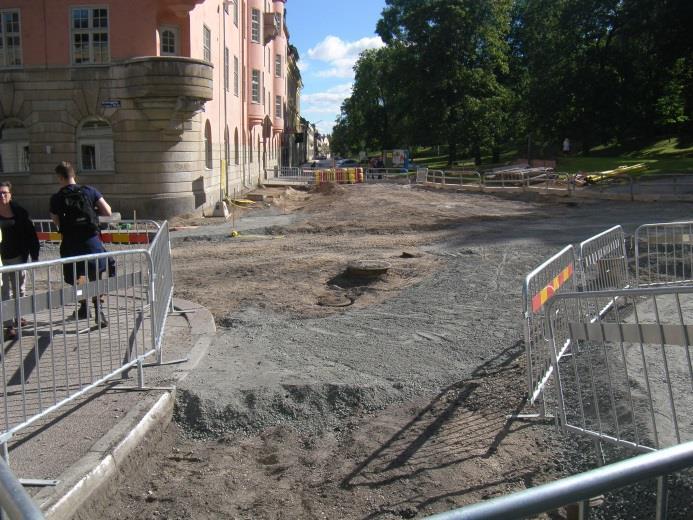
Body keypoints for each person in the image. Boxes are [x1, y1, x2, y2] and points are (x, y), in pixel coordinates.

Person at [49, 161, 112, 327]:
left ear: (60, 177)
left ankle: (84, 307)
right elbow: (108, 211)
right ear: (73, 174)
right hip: (91, 241)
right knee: (96, 274)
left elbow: (56, 222)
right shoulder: (89, 191)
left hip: (70, 244)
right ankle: (99, 311)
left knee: (78, 277)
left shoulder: (56, 198)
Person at [0, 181, 40, 338]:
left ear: (10, 194)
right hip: (1, 261)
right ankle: (8, 325)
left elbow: (31, 234)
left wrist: (34, 255)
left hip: (18, 257)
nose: (2, 196)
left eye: (5, 193)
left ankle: (18, 316)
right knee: (4, 293)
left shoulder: (20, 212)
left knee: (20, 290)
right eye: (0, 193)